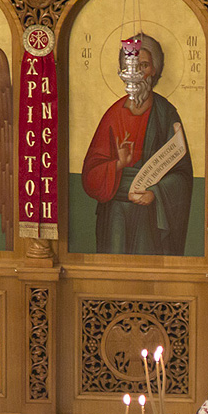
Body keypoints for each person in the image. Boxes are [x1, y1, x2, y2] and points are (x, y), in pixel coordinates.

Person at [82, 33, 193, 255]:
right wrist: (117, 165)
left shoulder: (165, 113)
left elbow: (182, 174)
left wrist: (156, 193)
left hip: (150, 213)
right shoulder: (113, 115)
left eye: (144, 65)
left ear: (154, 69)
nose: (137, 74)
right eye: (132, 66)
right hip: (115, 213)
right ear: (123, 72)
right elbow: (90, 176)